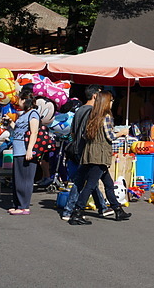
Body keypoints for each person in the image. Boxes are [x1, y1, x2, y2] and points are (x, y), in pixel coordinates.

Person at [67, 90, 130, 225]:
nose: (113, 103)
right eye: (111, 100)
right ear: (107, 102)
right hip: (100, 155)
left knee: (108, 183)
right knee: (89, 185)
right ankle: (77, 212)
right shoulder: (106, 116)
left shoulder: (92, 115)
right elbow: (110, 137)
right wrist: (122, 133)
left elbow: (85, 135)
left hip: (89, 153)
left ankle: (118, 210)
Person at [61, 85, 112, 221]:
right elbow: (88, 133)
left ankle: (102, 207)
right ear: (95, 96)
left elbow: (72, 131)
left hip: (77, 148)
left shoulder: (79, 110)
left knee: (89, 181)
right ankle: (70, 210)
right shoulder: (91, 112)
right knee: (84, 182)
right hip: (86, 150)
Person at [8, 92, 41, 215]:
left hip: (25, 150)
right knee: (17, 179)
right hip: (17, 150)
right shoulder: (24, 114)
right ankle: (18, 204)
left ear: (25, 100)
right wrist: (10, 122)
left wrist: (29, 150)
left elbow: (34, 132)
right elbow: (18, 129)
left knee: (25, 179)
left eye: (20, 100)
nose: (18, 102)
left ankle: (23, 206)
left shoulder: (33, 114)